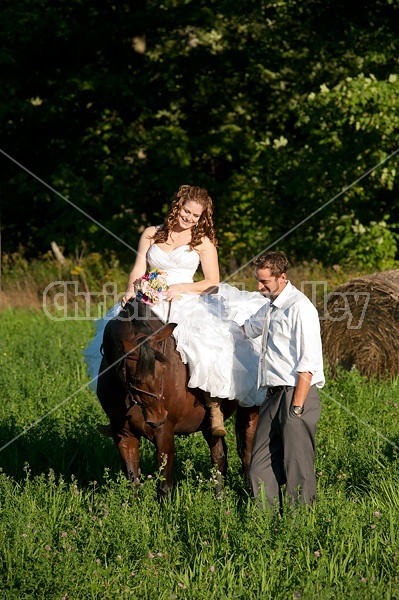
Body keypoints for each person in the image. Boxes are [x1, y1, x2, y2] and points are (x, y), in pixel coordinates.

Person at [83, 185, 268, 437]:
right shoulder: (151, 234)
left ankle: (213, 407)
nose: (189, 218)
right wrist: (130, 289)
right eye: (186, 211)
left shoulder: (202, 242)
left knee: (205, 344)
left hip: (187, 299)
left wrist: (182, 287)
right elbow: (138, 269)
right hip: (148, 297)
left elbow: (212, 283)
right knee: (119, 339)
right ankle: (118, 412)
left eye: (196, 215)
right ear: (177, 206)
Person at [242, 251, 325, 508]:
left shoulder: (300, 308)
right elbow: (245, 328)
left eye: (264, 282)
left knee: (297, 469)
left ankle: (298, 529)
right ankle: (265, 526)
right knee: (259, 467)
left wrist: (296, 408)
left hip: (296, 395)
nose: (259, 287)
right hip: (272, 395)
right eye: (258, 280)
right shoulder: (270, 306)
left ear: (282, 277)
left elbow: (307, 363)